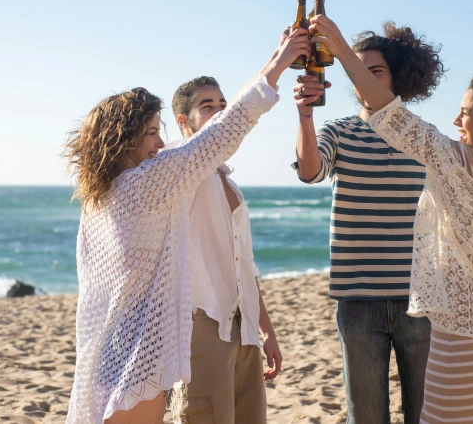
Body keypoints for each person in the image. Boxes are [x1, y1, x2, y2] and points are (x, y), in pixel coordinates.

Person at [309, 13, 473, 424]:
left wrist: (341, 49)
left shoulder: (455, 162)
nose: (456, 120)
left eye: (464, 111)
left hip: (457, 346)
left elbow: (391, 115)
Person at [63, 28, 310, 424]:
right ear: (122, 139)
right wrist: (279, 63)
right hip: (138, 349)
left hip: (116, 345)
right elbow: (224, 131)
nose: (159, 143)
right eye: (149, 133)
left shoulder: (105, 192)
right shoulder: (146, 183)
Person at [293, 21, 445, 423]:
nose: (361, 79)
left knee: (426, 416)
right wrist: (305, 116)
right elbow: (310, 171)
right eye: (355, 70)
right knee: (366, 418)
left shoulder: (420, 137)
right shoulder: (338, 131)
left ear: (398, 79)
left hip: (421, 302)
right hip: (357, 302)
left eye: (374, 71)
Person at [166, 76, 282, 424]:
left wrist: (266, 330)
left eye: (222, 105)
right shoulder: (177, 167)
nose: (219, 112)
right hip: (203, 320)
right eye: (207, 106)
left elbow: (244, 264)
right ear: (183, 121)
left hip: (242, 323)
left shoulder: (228, 181)